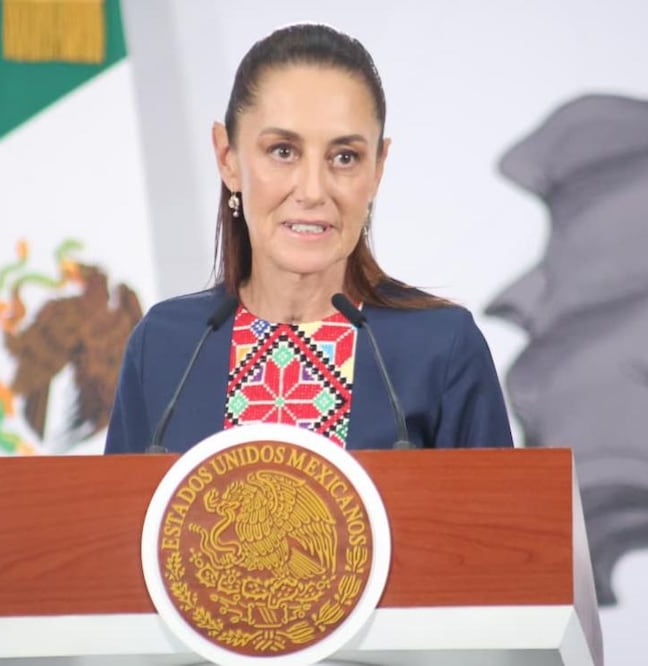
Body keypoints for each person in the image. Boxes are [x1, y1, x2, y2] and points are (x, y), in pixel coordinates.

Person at [104, 23, 513, 455]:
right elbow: (115, 522)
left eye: (345, 157)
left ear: (377, 168)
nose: (314, 191)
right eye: (283, 151)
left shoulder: (443, 348)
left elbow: (498, 522)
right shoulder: (165, 346)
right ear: (228, 160)